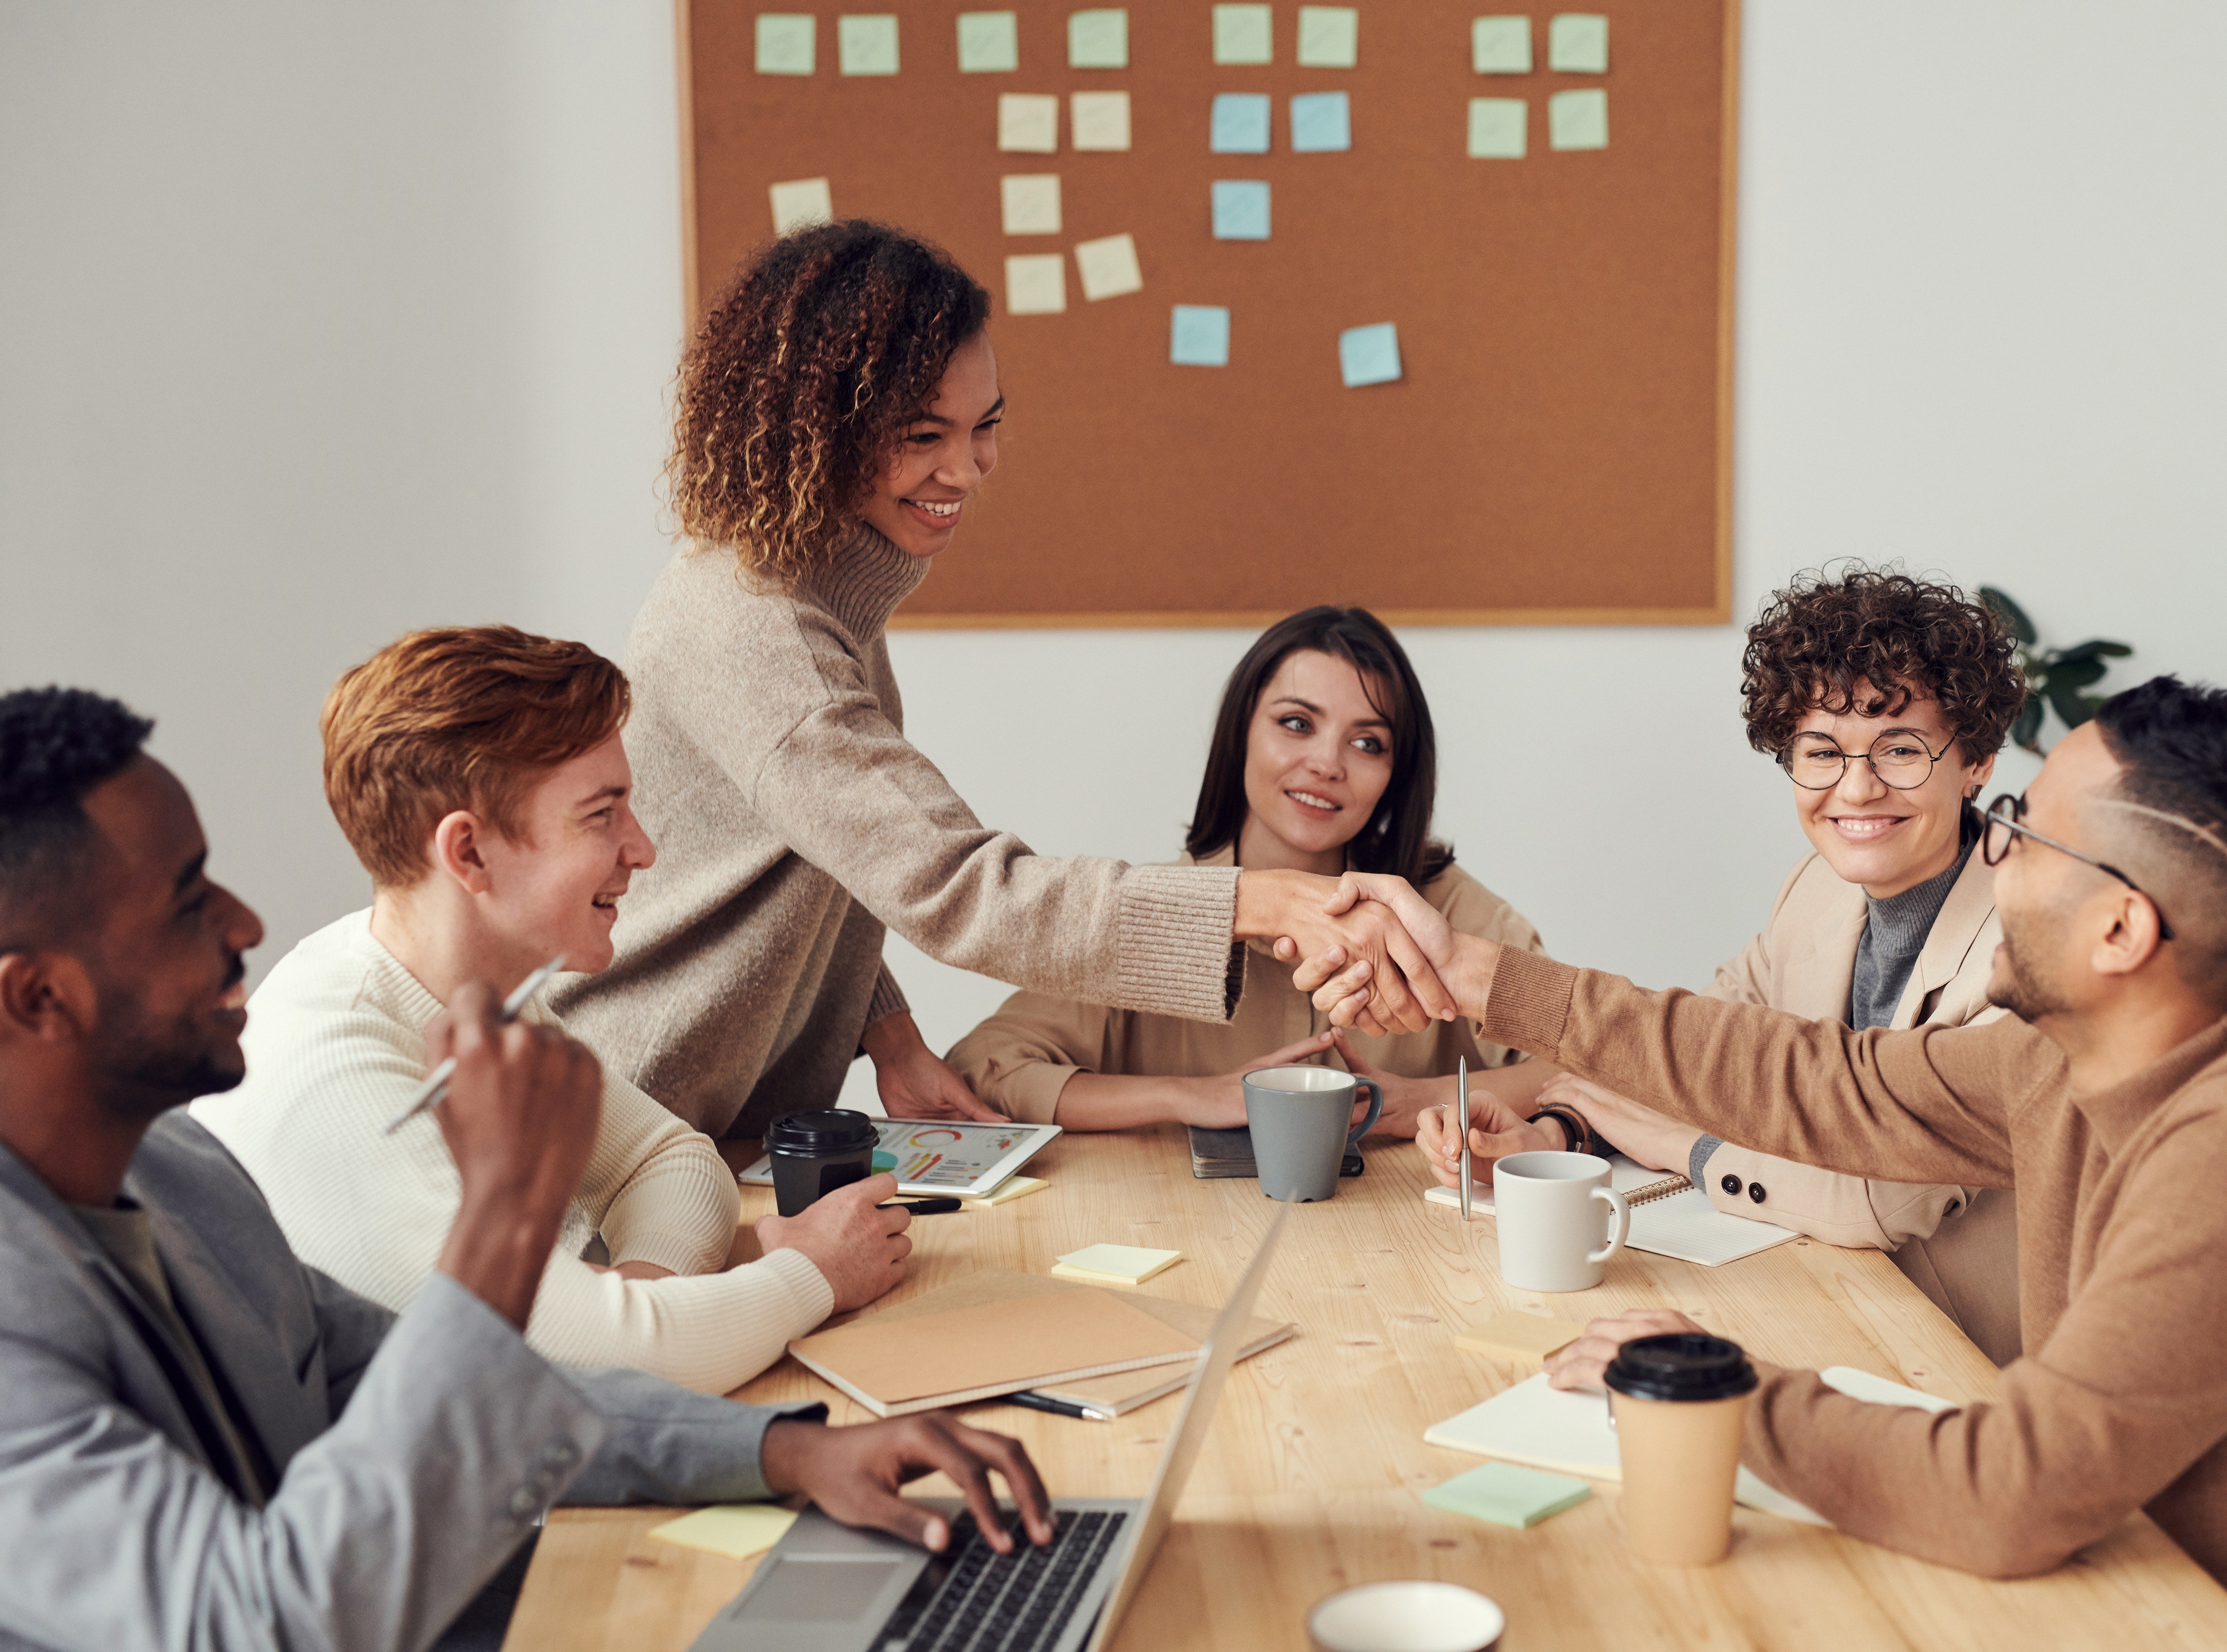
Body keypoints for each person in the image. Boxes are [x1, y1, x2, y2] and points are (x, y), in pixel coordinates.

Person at [1307, 676, 2227, 1652]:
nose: (1988, 854)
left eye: (2020, 831)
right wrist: (1482, 977)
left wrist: (1724, 1392)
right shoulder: (2071, 1057)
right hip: (2110, 1583)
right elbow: (1823, 1082)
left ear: (2121, 931)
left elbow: (2009, 1491)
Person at [0, 687, 1051, 1652]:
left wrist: (783, 1453)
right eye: (189, 902)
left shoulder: (177, 1172)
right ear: (38, 997)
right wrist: (506, 1212)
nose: (247, 923)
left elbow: (443, 1388)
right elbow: (265, 1622)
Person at [548, 219, 1456, 1141]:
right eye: (923, 434)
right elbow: (962, 886)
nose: (968, 467)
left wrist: (889, 1034)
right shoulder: (763, 631)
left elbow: (827, 854)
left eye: (986, 425)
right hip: (628, 1124)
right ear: (819, 433)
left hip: (718, 1128)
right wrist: (1253, 900)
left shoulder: (816, 589)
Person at [192, 628, 907, 1395]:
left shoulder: (472, 990)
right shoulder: (339, 1076)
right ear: (467, 854)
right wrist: (810, 1273)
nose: (642, 850)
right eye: (602, 816)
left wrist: (638, 1307)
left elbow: (673, 1162)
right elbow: (587, 1375)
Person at [1420, 569, 2028, 1360]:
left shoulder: (2026, 944)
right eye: (1822, 752)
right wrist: (1559, 1131)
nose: (1857, 788)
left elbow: (1882, 1199)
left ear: (1976, 759)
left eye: (1901, 750)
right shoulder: (1816, 890)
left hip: (1967, 1357)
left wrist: (1688, 1150)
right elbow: (1697, 1056)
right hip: (1825, 1302)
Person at [945, 607, 1552, 1133]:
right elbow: (984, 1067)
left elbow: (1592, 1068)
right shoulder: (1155, 914)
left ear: (1397, 777)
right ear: (1241, 735)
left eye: (1367, 743)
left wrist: (1431, 1098)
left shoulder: (1449, 912)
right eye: (1296, 724)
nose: (1326, 764)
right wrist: (1189, 1095)